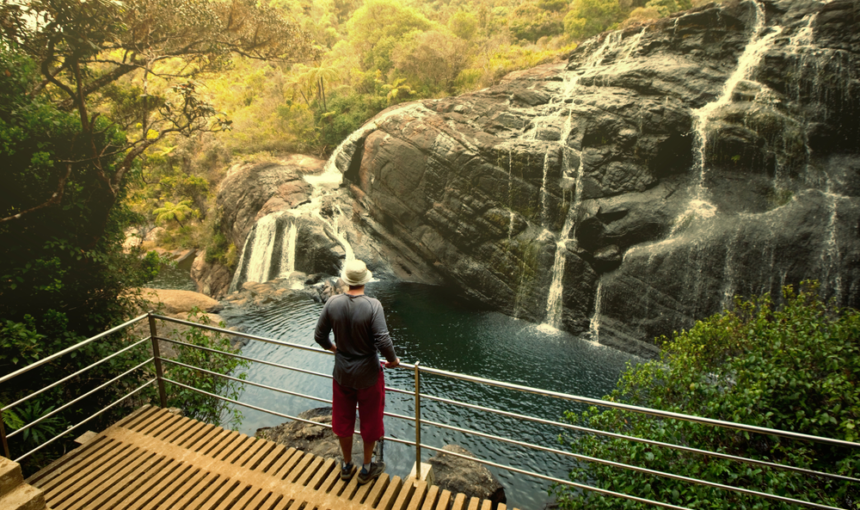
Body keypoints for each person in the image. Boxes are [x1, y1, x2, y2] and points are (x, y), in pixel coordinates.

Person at [314, 259, 400, 485]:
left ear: (345, 280)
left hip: (342, 372)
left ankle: (345, 464)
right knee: (370, 420)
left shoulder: (332, 303)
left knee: (343, 419)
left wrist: (335, 349)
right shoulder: (373, 305)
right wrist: (393, 360)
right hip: (369, 374)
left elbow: (319, 337)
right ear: (365, 280)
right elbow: (383, 339)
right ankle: (366, 468)